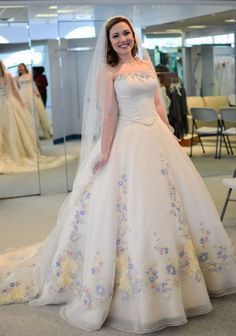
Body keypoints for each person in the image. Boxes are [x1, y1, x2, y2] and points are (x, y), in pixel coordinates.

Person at [0, 16, 236, 334]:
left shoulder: (145, 64)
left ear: (133, 37)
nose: (123, 39)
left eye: (126, 33)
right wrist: (106, 152)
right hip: (129, 140)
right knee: (135, 209)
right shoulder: (109, 71)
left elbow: (157, 103)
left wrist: (170, 132)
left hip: (158, 139)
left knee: (173, 205)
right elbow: (110, 114)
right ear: (109, 42)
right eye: (116, 35)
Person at [0, 60, 38, 173]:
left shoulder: (8, 75)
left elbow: (14, 90)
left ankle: (16, 153)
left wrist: (21, 102)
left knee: (13, 128)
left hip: (9, 104)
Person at [17, 63, 52, 139]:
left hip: (30, 94)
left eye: (21, 67)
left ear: (24, 67)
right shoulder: (18, 77)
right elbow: (18, 87)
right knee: (25, 113)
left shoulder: (30, 75)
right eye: (19, 67)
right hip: (22, 95)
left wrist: (36, 92)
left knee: (35, 112)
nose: (20, 68)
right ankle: (29, 133)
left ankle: (39, 132)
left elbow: (33, 85)